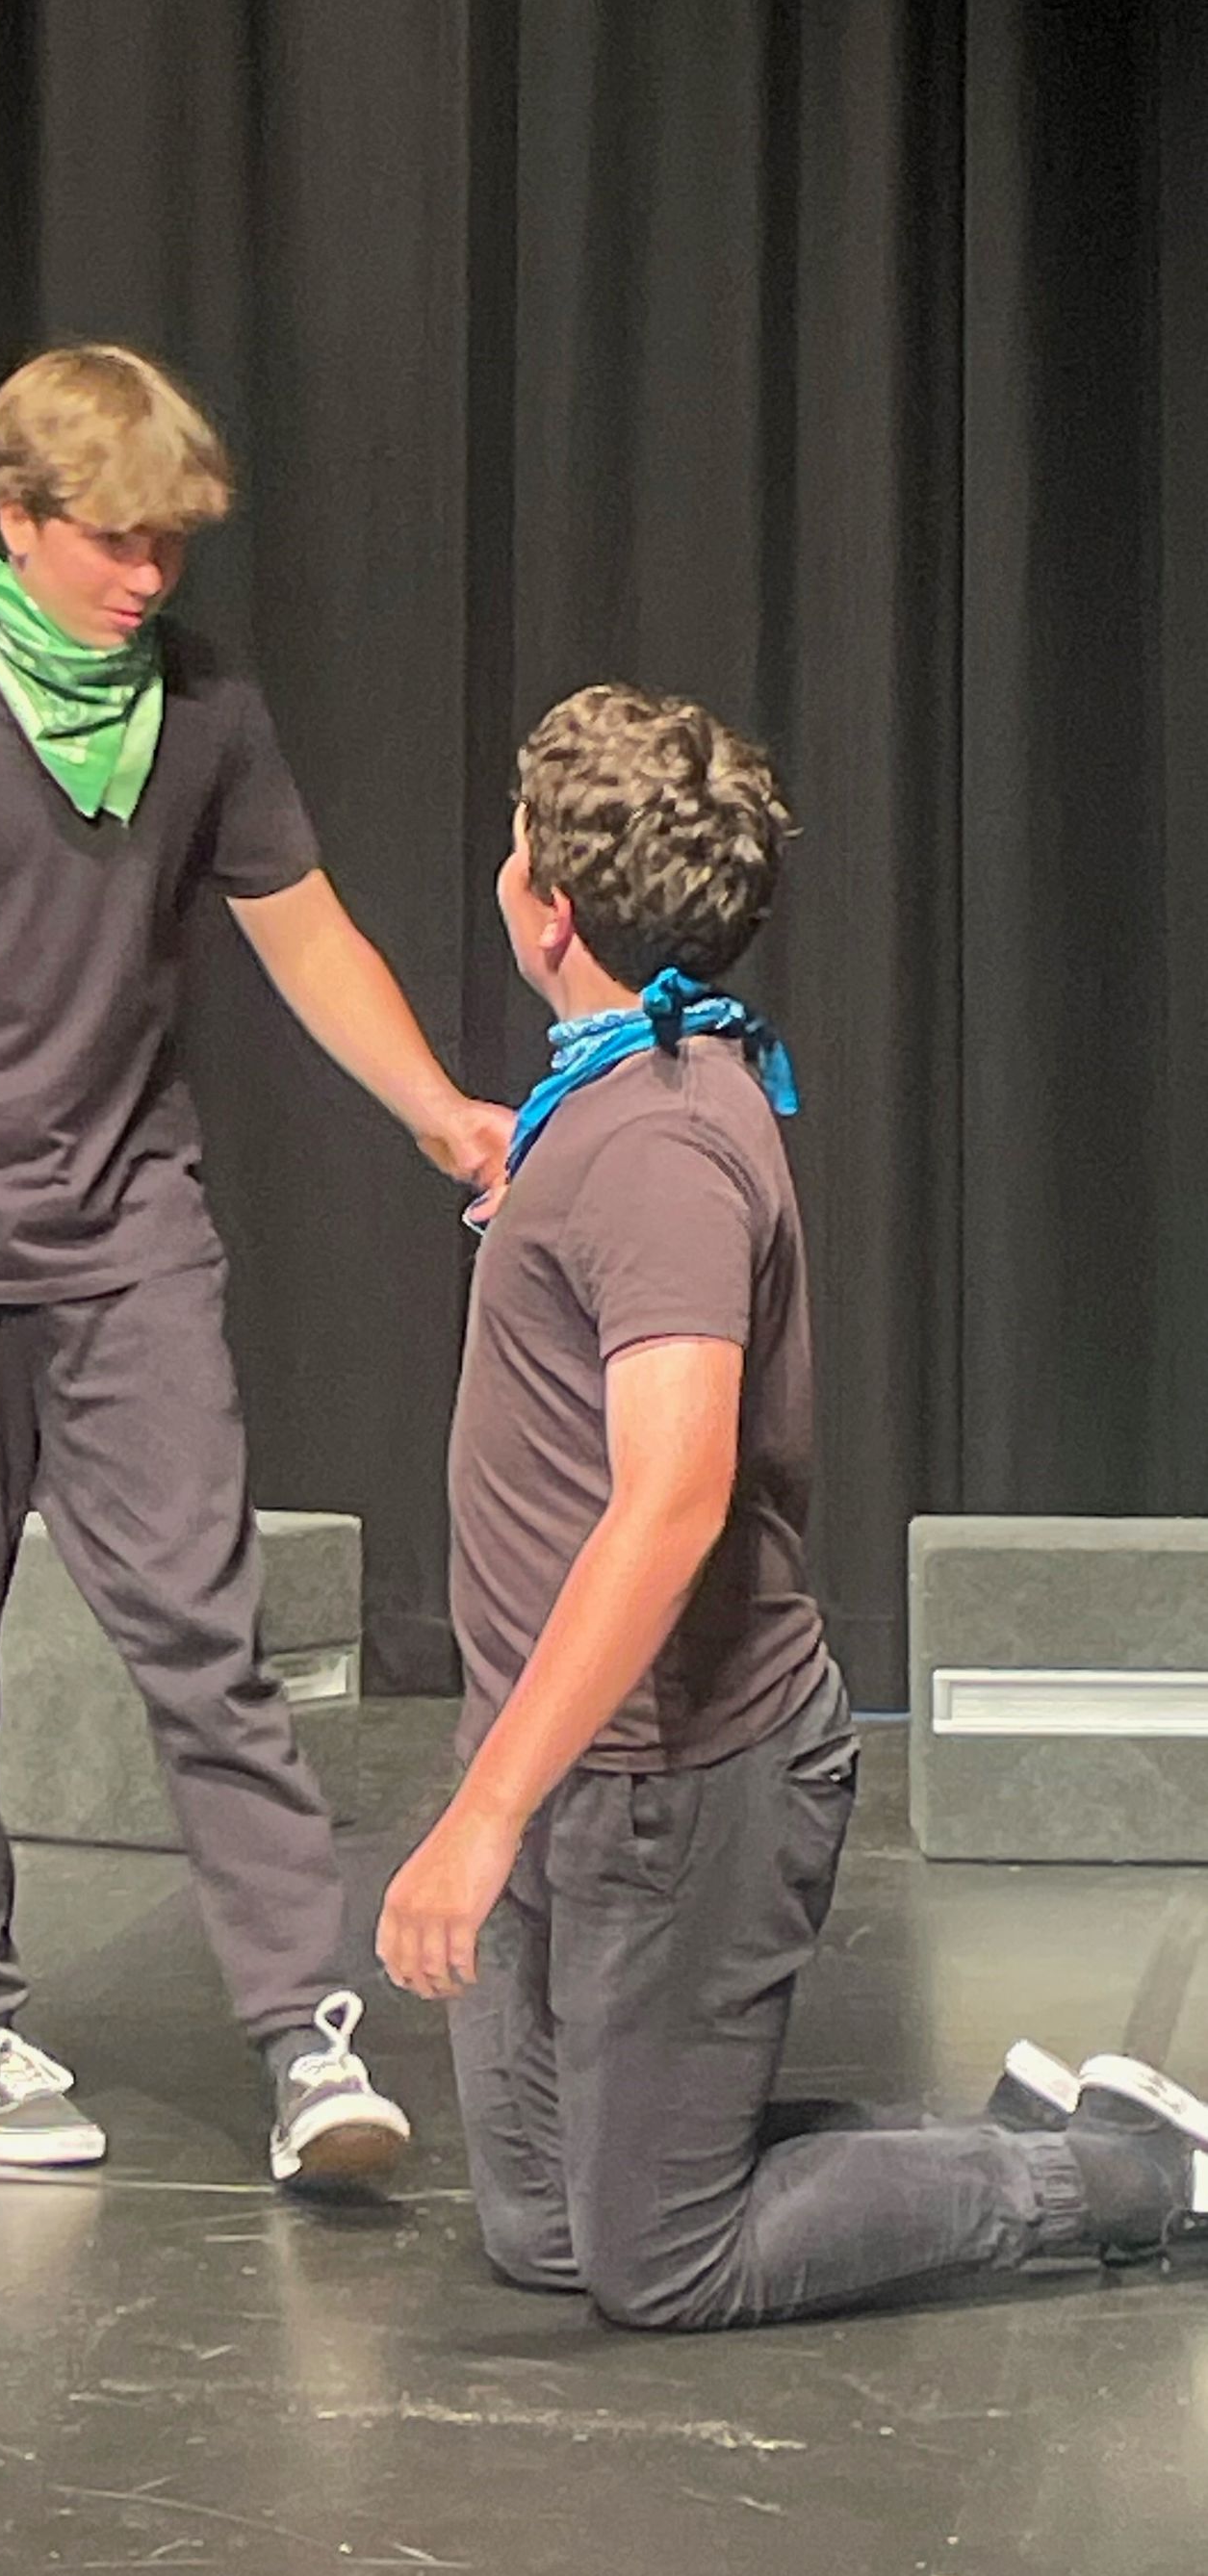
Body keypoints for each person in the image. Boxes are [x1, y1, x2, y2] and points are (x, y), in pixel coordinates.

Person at [0, 344, 509, 2187]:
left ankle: (303, 2033)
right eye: (116, 542)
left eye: (173, 545)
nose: (149, 578)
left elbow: (303, 931)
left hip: (129, 1236)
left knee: (207, 1637)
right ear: (14, 520)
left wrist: (436, 1111)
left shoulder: (205, 711)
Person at [378, 683, 1208, 2326]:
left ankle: (1122, 2174)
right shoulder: (633, 1086)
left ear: (549, 908)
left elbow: (672, 1503)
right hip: (560, 1736)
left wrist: (481, 1818)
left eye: (517, 843)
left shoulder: (658, 1148)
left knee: (661, 2263)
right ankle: (965, 2137)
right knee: (547, 2230)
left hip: (677, 1779)